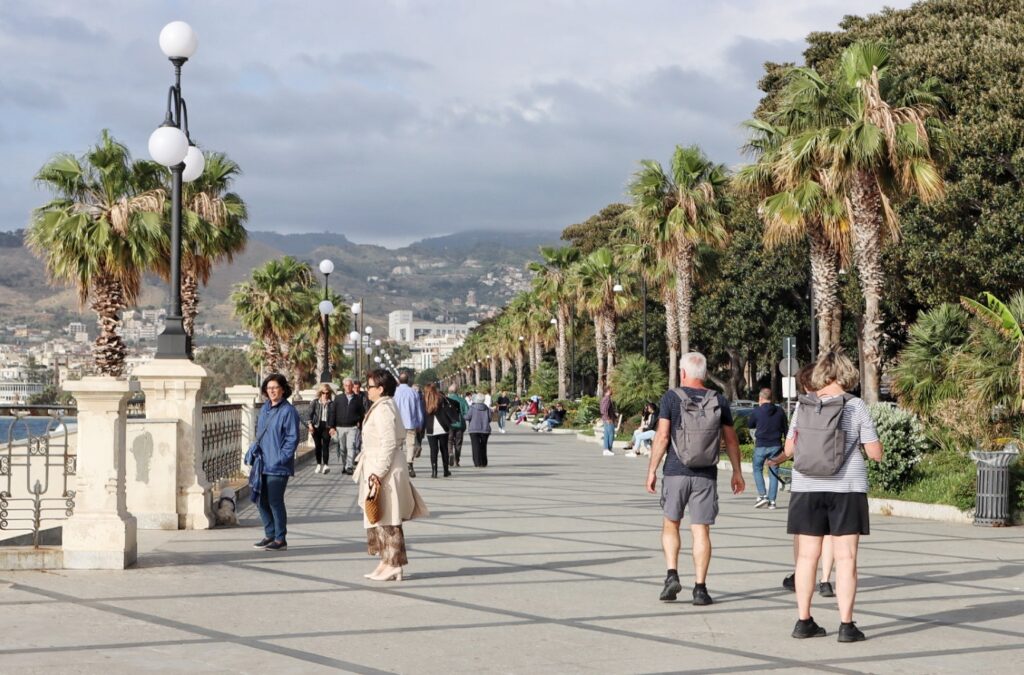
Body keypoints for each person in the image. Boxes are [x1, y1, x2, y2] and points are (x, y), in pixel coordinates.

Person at [768, 350, 883, 642]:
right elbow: (875, 453)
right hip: (847, 489)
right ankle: (846, 625)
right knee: (846, 558)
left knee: (806, 557)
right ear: (844, 373)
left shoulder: (804, 405)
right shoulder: (855, 405)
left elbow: (790, 449)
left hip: (806, 487)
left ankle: (803, 620)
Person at [646, 352, 745, 605]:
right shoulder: (718, 399)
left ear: (682, 373)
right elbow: (731, 439)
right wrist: (737, 472)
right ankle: (700, 588)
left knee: (671, 524)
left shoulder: (671, 398)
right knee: (701, 530)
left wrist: (652, 470)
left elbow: (662, 436)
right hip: (706, 474)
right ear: (704, 374)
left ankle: (672, 574)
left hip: (675, 472)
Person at [356, 368, 430, 581]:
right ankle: (386, 561)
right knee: (378, 516)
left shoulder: (384, 409)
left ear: (380, 389)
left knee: (388, 517)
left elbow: (388, 443)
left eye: (370, 386)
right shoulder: (382, 406)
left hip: (384, 470)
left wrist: (379, 472)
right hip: (378, 466)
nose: (367, 390)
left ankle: (394, 564)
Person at [780, 364, 837, 599]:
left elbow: (789, 448)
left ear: (805, 385)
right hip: (835, 480)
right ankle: (825, 581)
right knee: (830, 533)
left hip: (806, 481)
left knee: (802, 532)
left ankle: (800, 576)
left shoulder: (802, 408)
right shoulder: (841, 405)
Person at [250, 373, 301, 552]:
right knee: (261, 500)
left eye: (275, 388)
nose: (272, 391)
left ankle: (280, 539)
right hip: (262, 463)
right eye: (269, 388)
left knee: (275, 501)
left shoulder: (288, 411)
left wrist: (281, 458)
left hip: (278, 465)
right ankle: (270, 534)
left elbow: (292, 438)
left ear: (283, 390)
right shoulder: (265, 408)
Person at [749, 387, 788, 509]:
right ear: (772, 399)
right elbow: (786, 429)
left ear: (760, 398)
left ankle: (762, 495)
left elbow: (750, 424)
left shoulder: (757, 411)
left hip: (761, 445)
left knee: (757, 468)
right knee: (773, 471)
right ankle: (772, 501)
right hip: (776, 446)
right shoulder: (780, 411)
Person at [330, 377, 365, 475]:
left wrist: (360, 424)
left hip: (352, 427)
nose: (348, 387)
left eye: (350, 385)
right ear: (343, 386)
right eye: (346, 385)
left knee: (351, 447)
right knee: (342, 448)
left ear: (352, 386)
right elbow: (333, 412)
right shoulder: (338, 398)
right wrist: (332, 427)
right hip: (340, 427)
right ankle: (344, 465)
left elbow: (361, 413)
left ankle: (349, 466)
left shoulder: (357, 399)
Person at [393, 371, 423, 478]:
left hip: (398, 423)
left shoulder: (395, 392)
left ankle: (399, 464)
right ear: (408, 380)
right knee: (410, 444)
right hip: (411, 423)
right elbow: (418, 409)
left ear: (399, 380)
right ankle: (409, 463)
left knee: (398, 445)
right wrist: (420, 423)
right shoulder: (413, 392)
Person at [423, 383, 456, 478]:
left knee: (433, 450)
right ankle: (446, 470)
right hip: (442, 427)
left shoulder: (424, 400)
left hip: (430, 428)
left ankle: (434, 471)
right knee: (444, 449)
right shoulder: (441, 398)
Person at [307, 383, 335, 474]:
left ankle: (326, 465)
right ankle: (319, 464)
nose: (325, 395)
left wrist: (333, 427)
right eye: (323, 393)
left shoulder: (332, 404)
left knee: (326, 445)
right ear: (320, 393)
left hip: (327, 426)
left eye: (327, 393)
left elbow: (334, 417)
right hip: (316, 426)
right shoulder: (315, 402)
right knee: (318, 446)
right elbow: (309, 415)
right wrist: (310, 425)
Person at [465, 393, 492, 467]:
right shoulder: (487, 408)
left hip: (474, 429)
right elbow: (490, 418)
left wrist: (462, 415)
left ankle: (477, 462)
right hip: (485, 429)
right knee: (483, 446)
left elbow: (467, 417)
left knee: (475, 446)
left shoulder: (472, 408)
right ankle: (483, 462)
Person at [447, 384, 469, 467]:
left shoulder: (446, 400)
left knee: (449, 441)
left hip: (449, 424)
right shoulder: (462, 400)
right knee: (458, 442)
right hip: (460, 424)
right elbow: (467, 412)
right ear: (457, 391)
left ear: (449, 391)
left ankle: (450, 453)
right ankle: (457, 460)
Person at [352, 380, 369, 463]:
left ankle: (358, 456)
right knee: (355, 440)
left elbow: (366, 407)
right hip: (353, 421)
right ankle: (355, 456)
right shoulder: (351, 396)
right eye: (355, 388)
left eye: (358, 388)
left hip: (363, 420)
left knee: (359, 439)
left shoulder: (364, 396)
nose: (356, 389)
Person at [600, 387, 617, 456]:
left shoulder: (605, 398)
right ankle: (608, 449)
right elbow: (604, 410)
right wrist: (607, 418)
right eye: (610, 390)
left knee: (607, 434)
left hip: (606, 419)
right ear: (607, 391)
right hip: (608, 419)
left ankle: (606, 449)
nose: (612, 391)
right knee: (610, 434)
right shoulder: (607, 399)